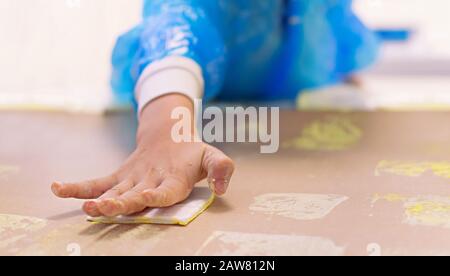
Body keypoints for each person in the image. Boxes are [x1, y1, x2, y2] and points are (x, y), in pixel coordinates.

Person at [51, 0, 379, 217]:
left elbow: (337, 39)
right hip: (187, 96)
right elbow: (176, 28)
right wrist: (165, 131)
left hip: (287, 108)